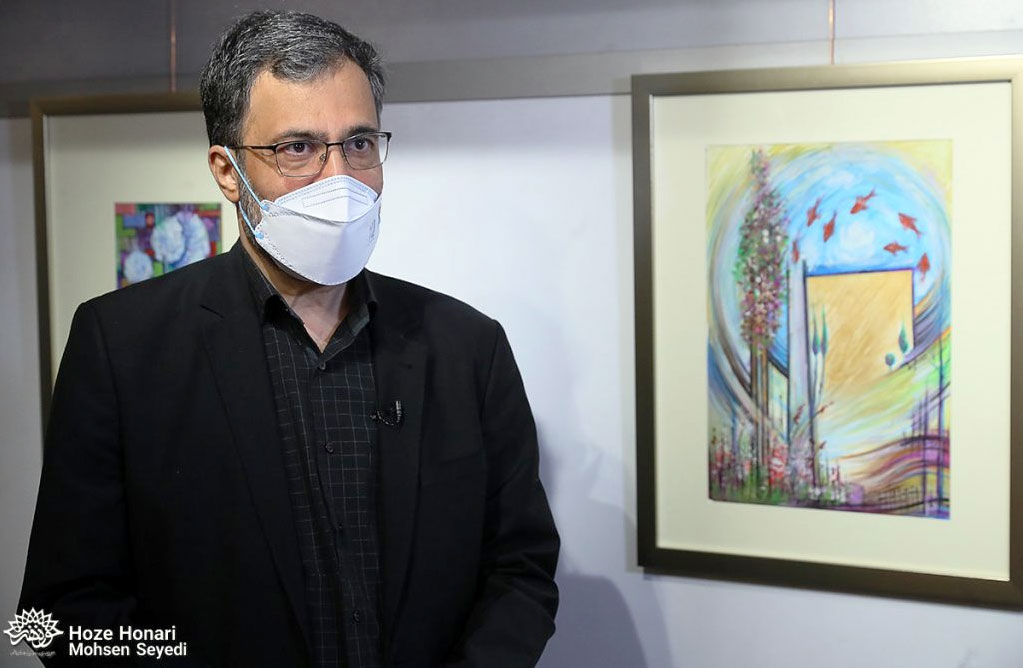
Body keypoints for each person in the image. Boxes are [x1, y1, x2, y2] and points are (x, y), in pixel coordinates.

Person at [19, 10, 559, 667]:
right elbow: (62, 616)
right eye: (297, 148)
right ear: (227, 171)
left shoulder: (466, 346)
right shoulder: (123, 347)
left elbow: (520, 568)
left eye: (359, 143)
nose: (339, 178)